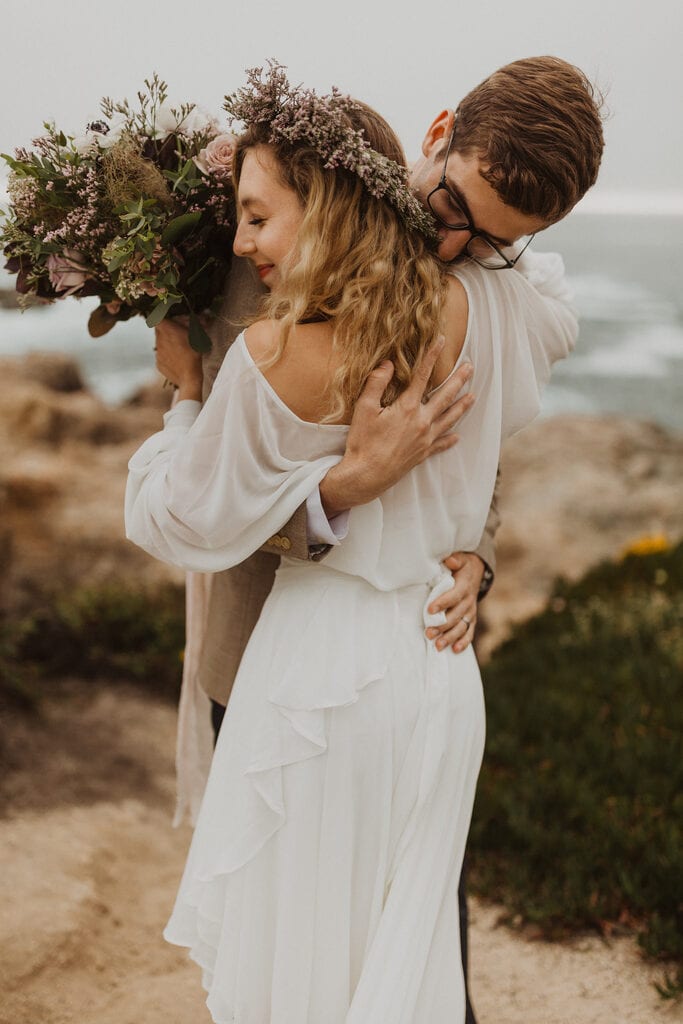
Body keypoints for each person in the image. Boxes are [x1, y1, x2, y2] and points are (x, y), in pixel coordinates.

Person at [126, 61, 599, 1022]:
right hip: (271, 645)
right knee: (350, 950)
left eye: (496, 241)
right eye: (454, 209)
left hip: (363, 657)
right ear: (436, 132)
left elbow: (479, 455)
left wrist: (476, 553)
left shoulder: (471, 287)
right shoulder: (248, 254)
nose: (456, 244)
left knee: (381, 951)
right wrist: (342, 489)